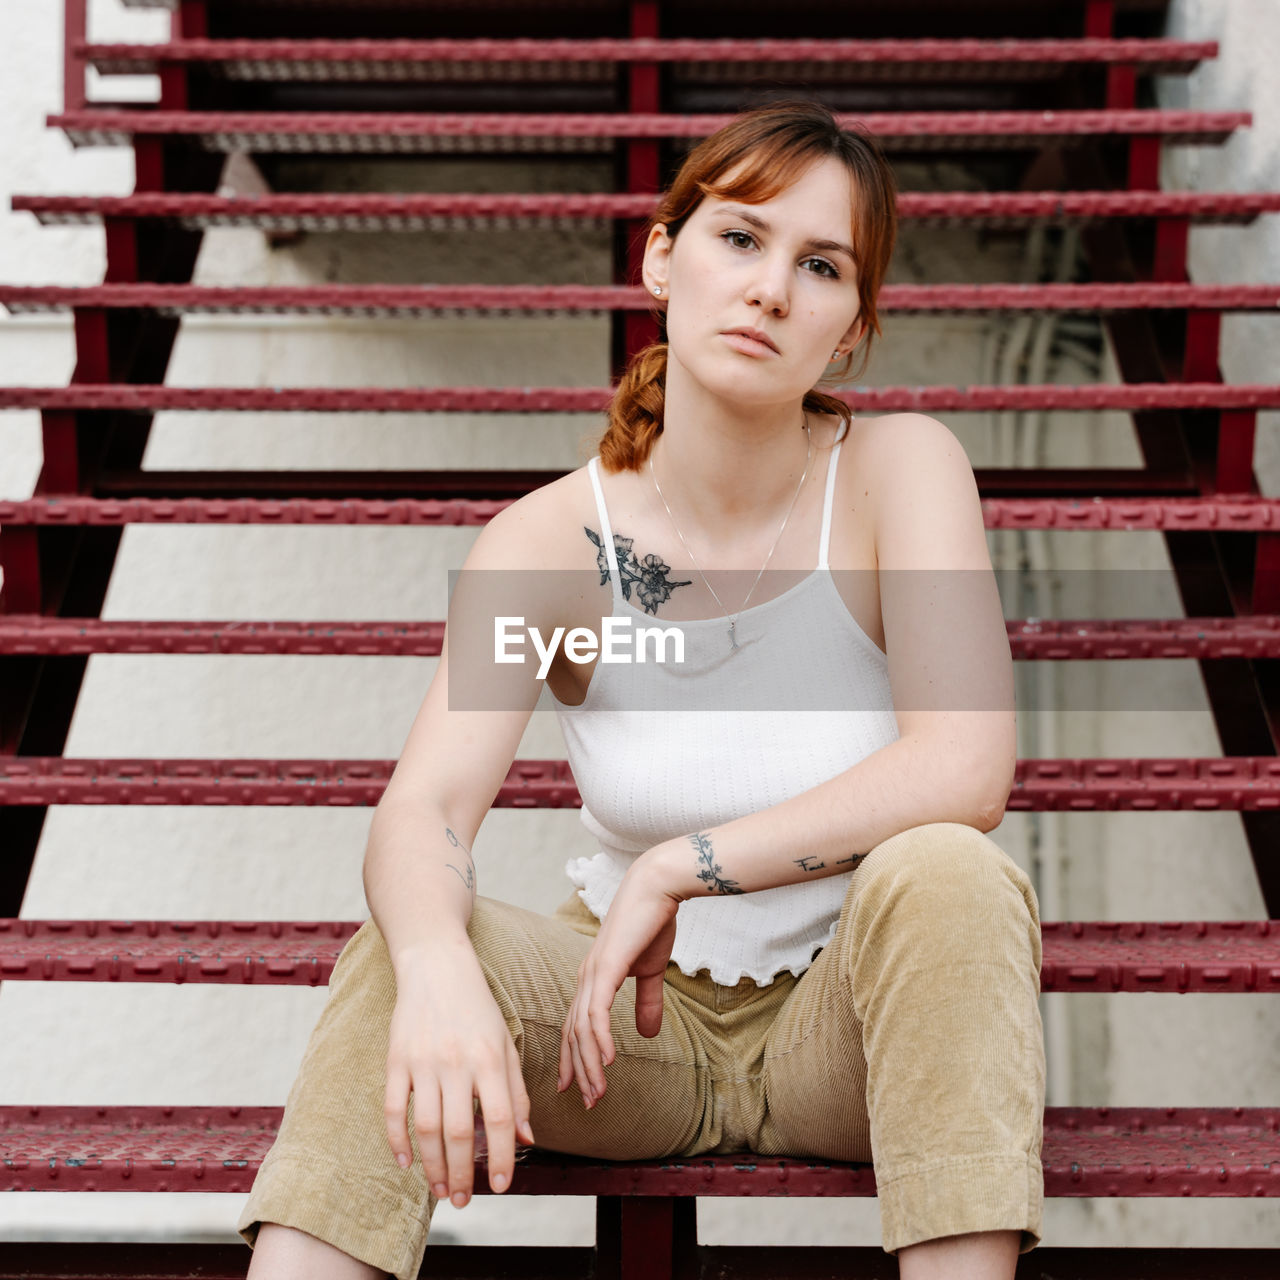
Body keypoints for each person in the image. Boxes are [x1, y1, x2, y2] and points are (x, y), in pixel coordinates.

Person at [237, 98, 1045, 1280]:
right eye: (739, 238)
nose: (770, 288)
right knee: (411, 937)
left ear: (852, 327)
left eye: (818, 265)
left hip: (856, 1028)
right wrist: (436, 963)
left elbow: (963, 768)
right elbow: (424, 810)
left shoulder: (899, 471)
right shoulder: (543, 539)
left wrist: (681, 860)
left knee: (951, 868)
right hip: (621, 1037)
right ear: (662, 255)